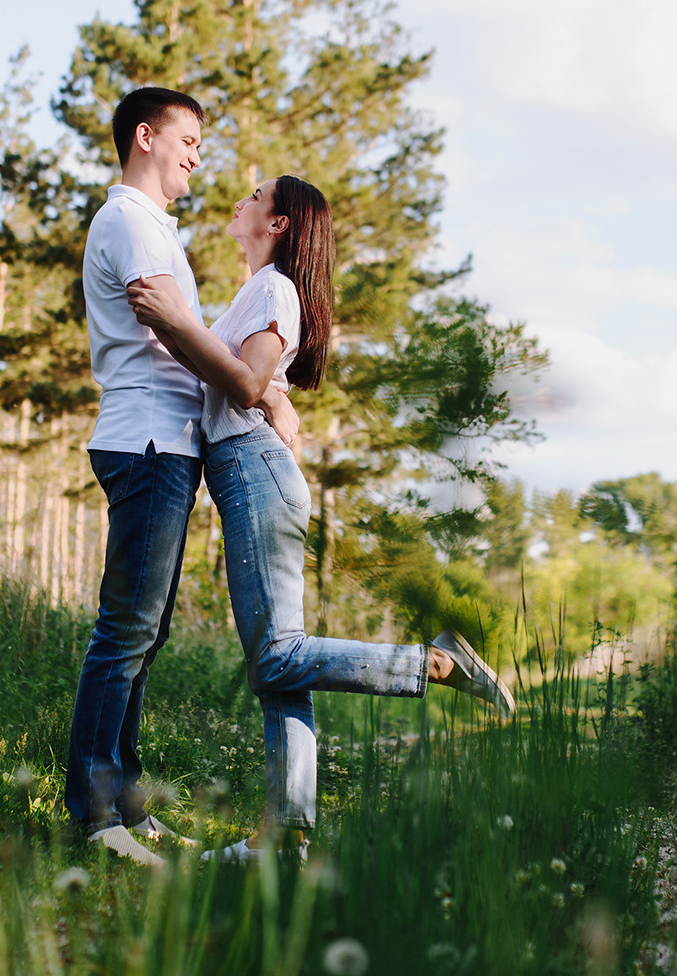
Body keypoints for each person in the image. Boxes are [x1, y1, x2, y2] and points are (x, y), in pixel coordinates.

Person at [128, 173, 514, 861]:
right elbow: (250, 380)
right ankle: (285, 835)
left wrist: (181, 325)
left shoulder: (275, 288)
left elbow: (245, 379)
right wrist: (265, 390)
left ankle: (433, 663)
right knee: (280, 667)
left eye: (255, 196)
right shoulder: (260, 290)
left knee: (277, 656)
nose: (241, 200)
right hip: (248, 472)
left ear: (278, 223)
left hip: (253, 473)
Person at [62, 86, 300, 867]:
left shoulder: (155, 227)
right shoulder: (129, 221)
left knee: (144, 632)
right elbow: (166, 325)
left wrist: (263, 387)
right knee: (124, 630)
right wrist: (254, 386)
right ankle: (97, 817)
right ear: (145, 137)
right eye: (188, 137)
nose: (199, 152)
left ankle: (127, 802)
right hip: (149, 442)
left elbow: (187, 331)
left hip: (167, 444)